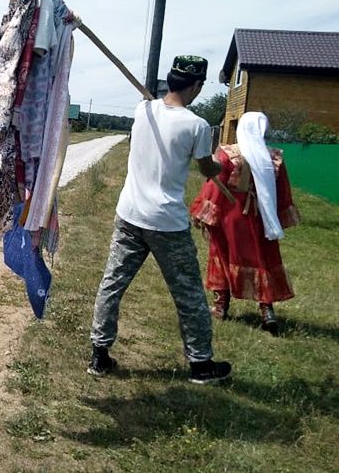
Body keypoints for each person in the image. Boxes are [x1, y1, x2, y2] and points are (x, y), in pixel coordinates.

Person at [88, 55, 232, 385]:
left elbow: (152, 109)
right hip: (166, 222)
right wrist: (222, 168)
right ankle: (201, 365)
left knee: (112, 283)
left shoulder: (144, 111)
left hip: (130, 215)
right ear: (195, 86)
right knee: (189, 295)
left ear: (170, 80)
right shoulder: (195, 125)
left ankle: (99, 355)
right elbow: (206, 168)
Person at [190, 112, 299, 333]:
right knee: (263, 259)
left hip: (232, 216)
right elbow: (282, 191)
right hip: (261, 217)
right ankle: (266, 310)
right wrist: (276, 216)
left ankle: (221, 306)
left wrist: (205, 213)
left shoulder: (228, 155)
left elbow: (215, 185)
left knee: (222, 254)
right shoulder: (273, 158)